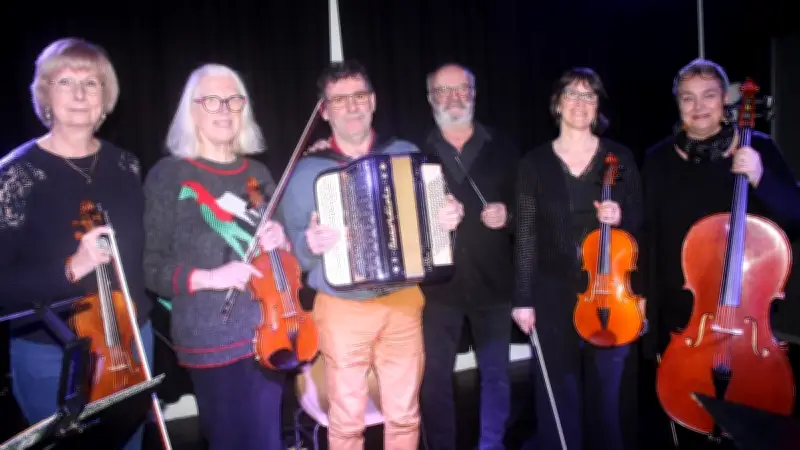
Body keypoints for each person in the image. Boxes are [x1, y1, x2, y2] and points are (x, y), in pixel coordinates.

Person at [278, 59, 465, 450]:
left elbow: (435, 219)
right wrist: (309, 245)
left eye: (359, 96)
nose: (352, 106)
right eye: (340, 100)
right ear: (325, 111)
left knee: (405, 415)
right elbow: (293, 250)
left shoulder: (406, 153)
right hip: (343, 309)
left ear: (373, 101)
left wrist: (450, 216)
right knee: (345, 422)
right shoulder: (306, 173)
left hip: (403, 302)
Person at [0, 38, 154, 449]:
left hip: (132, 341)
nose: (80, 93)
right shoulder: (16, 175)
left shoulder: (125, 164)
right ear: (45, 93)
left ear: (107, 96)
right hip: (54, 356)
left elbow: (139, 260)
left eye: (92, 82)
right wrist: (71, 269)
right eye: (66, 81)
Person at [640, 58, 800, 450]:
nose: (698, 107)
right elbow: (647, 234)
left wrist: (761, 176)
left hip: (746, 316)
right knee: (686, 418)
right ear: (677, 104)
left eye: (709, 96)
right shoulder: (658, 158)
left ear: (727, 101)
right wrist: (644, 301)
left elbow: (795, 217)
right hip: (683, 319)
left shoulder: (757, 146)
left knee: (751, 423)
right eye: (688, 98)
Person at [142, 63, 290, 450]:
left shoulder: (257, 172)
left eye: (233, 100)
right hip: (209, 337)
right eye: (212, 100)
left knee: (269, 441)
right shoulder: (169, 175)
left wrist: (281, 241)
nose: (224, 109)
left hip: (268, 332)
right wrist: (211, 277)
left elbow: (283, 258)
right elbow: (152, 267)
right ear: (191, 111)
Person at [513, 67, 643, 450]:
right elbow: (525, 234)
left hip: (609, 293)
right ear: (557, 103)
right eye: (572, 94)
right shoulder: (533, 163)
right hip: (552, 289)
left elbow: (639, 216)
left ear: (598, 105)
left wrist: (622, 217)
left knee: (608, 395)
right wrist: (522, 299)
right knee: (559, 392)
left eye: (589, 96)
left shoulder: (619, 156)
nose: (580, 103)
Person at [416, 63, 518, 450]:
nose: (454, 98)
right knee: (434, 378)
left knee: (496, 375)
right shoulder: (415, 152)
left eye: (462, 89)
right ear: (430, 99)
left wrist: (507, 216)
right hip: (436, 289)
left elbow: (527, 210)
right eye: (443, 91)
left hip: (494, 283)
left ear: (474, 93)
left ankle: (491, 444)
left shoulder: (504, 146)